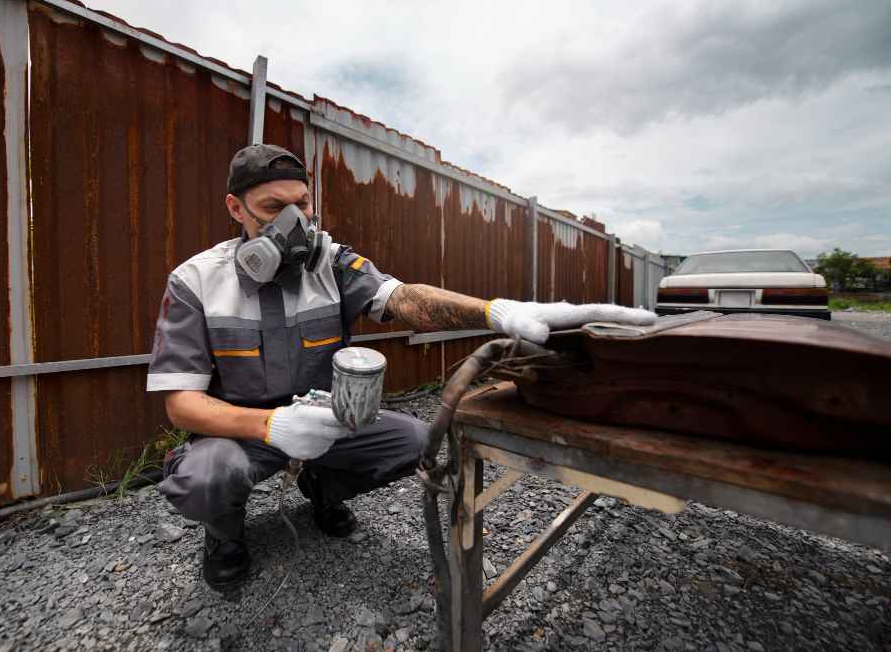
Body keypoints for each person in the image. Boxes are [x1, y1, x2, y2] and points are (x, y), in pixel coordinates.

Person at [146, 144, 655, 592]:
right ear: (236, 209)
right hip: (243, 429)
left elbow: (406, 299)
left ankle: (323, 488)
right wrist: (269, 425)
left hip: (329, 418)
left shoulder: (330, 262)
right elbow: (181, 404)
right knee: (207, 476)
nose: (294, 223)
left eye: (302, 204)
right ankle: (226, 538)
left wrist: (494, 311)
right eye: (272, 209)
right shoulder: (195, 281)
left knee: (417, 441)